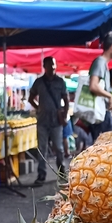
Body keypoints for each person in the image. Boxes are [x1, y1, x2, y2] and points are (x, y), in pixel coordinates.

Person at [28, 56, 69, 185]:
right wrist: (38, 108)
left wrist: (64, 114)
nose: (52, 67)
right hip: (43, 120)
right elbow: (30, 98)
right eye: (50, 65)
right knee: (42, 148)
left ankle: (62, 172)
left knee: (59, 148)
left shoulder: (60, 82)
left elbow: (66, 100)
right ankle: (41, 174)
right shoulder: (38, 82)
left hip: (56, 121)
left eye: (54, 65)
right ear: (44, 67)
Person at [88, 31, 112, 141]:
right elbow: (93, 85)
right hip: (100, 114)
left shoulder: (103, 63)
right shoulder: (100, 62)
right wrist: (109, 96)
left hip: (103, 113)